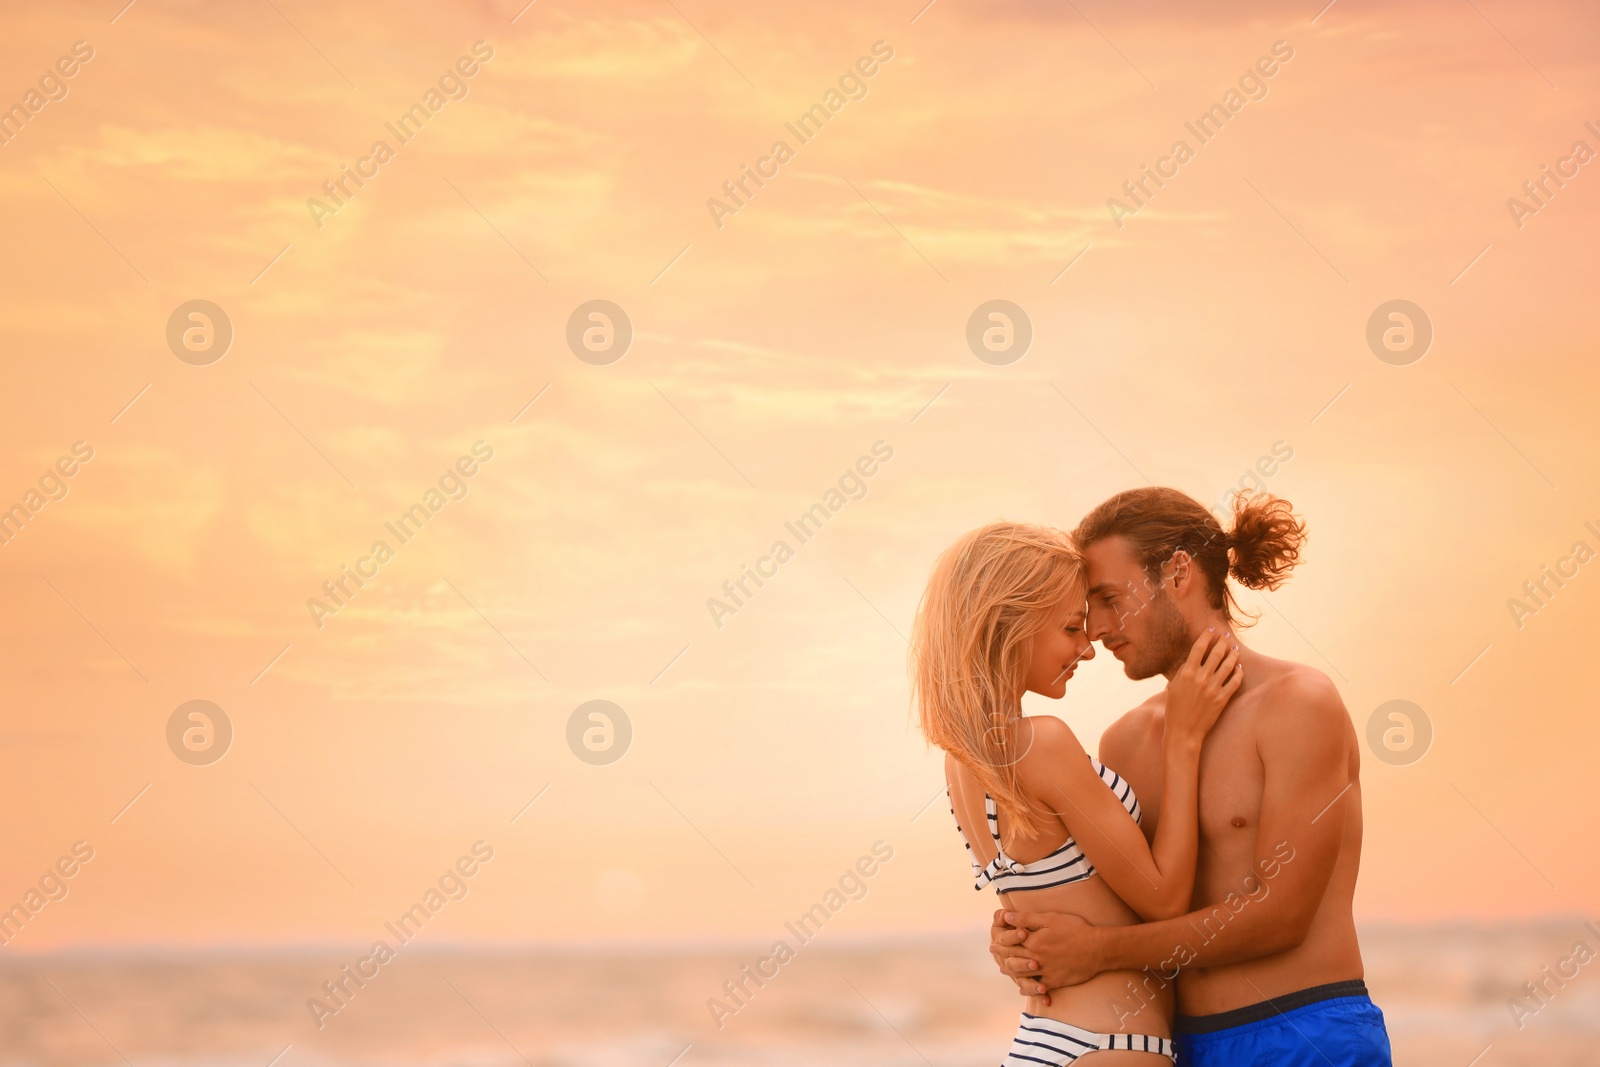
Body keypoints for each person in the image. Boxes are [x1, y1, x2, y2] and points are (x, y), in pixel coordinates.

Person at [990, 488, 1393, 1067]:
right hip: (1177, 1045)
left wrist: (1098, 951)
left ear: (1177, 572)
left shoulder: (1298, 704)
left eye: (1107, 598)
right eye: (1087, 609)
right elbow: (1123, 900)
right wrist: (1019, 939)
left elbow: (1281, 915)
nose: (1097, 630)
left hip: (1304, 1034)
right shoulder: (1123, 741)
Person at [912, 521, 1243, 1065]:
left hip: (1046, 1041)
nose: (1088, 649)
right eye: (1071, 627)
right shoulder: (1041, 743)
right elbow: (1163, 899)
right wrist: (1183, 741)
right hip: (1108, 1046)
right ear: (1009, 625)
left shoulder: (963, 761)